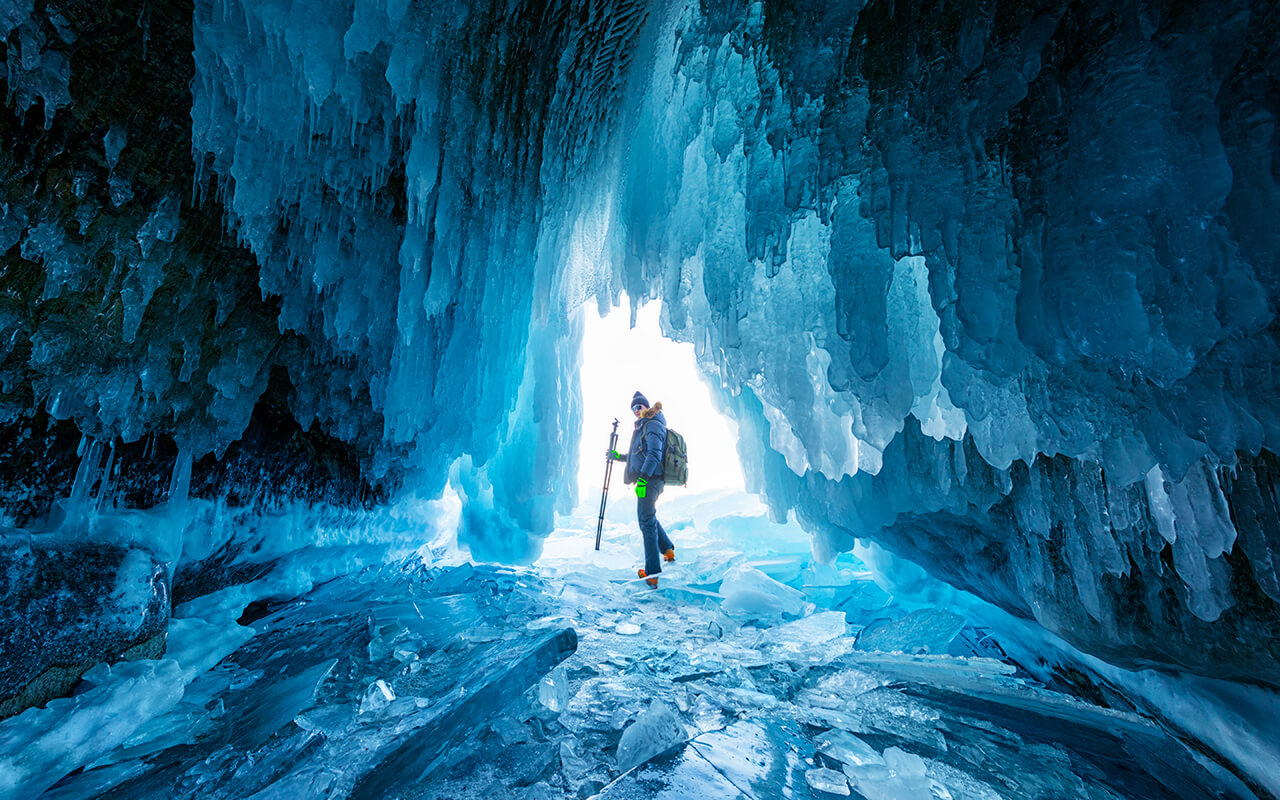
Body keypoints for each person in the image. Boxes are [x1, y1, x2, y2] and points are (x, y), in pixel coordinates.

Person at [609, 391, 675, 588]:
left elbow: (654, 453)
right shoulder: (646, 425)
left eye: (639, 406)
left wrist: (644, 480)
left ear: (646, 406)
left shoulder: (653, 423)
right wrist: (617, 456)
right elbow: (637, 455)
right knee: (649, 517)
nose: (636, 410)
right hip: (650, 478)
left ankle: (652, 574)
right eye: (633, 408)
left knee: (645, 521)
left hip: (651, 479)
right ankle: (667, 550)